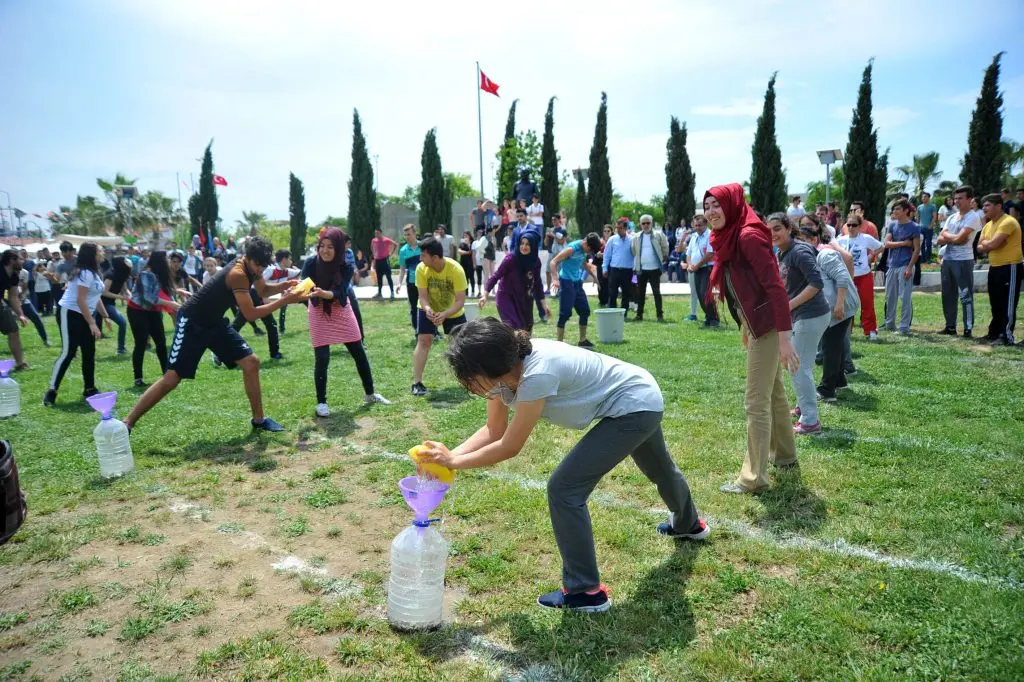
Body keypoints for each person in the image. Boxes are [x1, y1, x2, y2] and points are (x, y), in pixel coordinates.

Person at [416, 318, 710, 612]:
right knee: (659, 468)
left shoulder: (537, 374)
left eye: (469, 375)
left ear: (490, 366)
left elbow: (510, 446)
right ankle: (688, 524)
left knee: (565, 489)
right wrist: (449, 458)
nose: (466, 383)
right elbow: (494, 429)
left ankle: (585, 592)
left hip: (635, 404)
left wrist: (454, 461)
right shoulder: (506, 374)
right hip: (640, 396)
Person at [123, 236, 305, 433]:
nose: (260, 269)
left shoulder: (252, 267)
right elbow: (250, 313)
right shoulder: (238, 273)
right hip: (192, 322)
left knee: (251, 362)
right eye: (258, 265)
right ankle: (127, 423)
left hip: (214, 323)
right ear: (247, 257)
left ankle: (259, 420)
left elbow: (263, 289)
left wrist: (286, 286)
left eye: (263, 265)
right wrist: (285, 300)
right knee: (172, 378)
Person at [705, 185, 798, 493]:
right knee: (773, 393)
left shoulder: (746, 236)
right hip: (756, 322)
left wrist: (785, 339)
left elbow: (775, 287)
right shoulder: (730, 235)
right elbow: (743, 287)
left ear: (731, 204)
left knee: (755, 401)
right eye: (707, 206)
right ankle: (784, 455)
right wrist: (745, 324)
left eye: (717, 204)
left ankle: (753, 478)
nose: (711, 212)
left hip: (769, 325)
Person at [302, 228, 390, 417]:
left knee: (358, 352)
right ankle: (322, 402)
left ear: (339, 248)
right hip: (318, 310)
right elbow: (303, 285)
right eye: (322, 246)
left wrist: (324, 293)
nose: (325, 251)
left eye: (330, 247)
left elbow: (342, 292)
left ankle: (370, 394)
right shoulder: (310, 263)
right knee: (322, 357)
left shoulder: (345, 266)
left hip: (340, 308)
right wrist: (303, 292)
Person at [767, 213, 830, 435]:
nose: (773, 233)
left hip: (811, 315)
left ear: (788, 228)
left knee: (797, 366)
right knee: (800, 365)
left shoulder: (799, 252)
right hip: (802, 315)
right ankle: (804, 407)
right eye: (770, 229)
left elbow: (816, 284)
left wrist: (789, 306)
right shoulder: (782, 252)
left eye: (777, 228)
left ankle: (810, 421)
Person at [796, 222, 859, 404]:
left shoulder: (825, 254)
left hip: (842, 306)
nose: (801, 245)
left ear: (814, 239)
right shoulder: (810, 257)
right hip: (834, 307)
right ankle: (839, 380)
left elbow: (842, 278)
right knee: (835, 344)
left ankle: (827, 390)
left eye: (805, 240)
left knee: (830, 346)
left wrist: (839, 305)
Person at [44, 243, 113, 406]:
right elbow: (80, 299)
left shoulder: (95, 272)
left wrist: (105, 316)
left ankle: (89, 388)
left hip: (85, 313)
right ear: (92, 254)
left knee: (89, 351)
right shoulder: (84, 273)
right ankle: (51, 391)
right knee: (69, 352)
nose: (102, 252)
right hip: (70, 313)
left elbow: (95, 297)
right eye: (99, 250)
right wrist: (92, 323)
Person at [410, 236, 468, 397]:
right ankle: (417, 383)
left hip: (453, 310)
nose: (420, 258)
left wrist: (445, 314)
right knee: (424, 341)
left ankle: (469, 380)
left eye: (423, 255)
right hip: (428, 309)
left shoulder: (456, 269)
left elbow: (460, 300)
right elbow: (422, 296)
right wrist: (428, 309)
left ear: (435, 257)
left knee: (462, 344)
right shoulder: (421, 268)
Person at [126, 251, 180, 387]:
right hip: (137, 311)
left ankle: (167, 373)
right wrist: (170, 304)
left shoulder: (160, 274)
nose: (169, 261)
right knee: (141, 342)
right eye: (167, 258)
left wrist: (179, 292)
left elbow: (163, 292)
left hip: (152, 311)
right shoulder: (147, 274)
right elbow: (149, 298)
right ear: (160, 261)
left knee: (161, 342)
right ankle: (138, 378)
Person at [480, 229, 549, 333]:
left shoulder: (535, 261)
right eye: (522, 243)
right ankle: (510, 348)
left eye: (528, 244)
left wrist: (544, 305)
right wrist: (485, 295)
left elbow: (538, 284)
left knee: (526, 330)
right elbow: (496, 276)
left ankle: (521, 349)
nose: (524, 247)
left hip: (524, 299)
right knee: (515, 328)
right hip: (506, 297)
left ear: (533, 246)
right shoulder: (511, 258)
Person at [977, 193, 1023, 345]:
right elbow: (980, 247)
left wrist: (989, 244)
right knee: (995, 302)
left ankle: (1006, 335)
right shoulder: (988, 225)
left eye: (988, 205)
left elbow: (991, 245)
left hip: (1010, 267)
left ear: (998, 206)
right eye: (983, 206)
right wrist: (989, 245)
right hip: (994, 267)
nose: (984, 208)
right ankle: (994, 333)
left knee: (1007, 303)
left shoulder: (1008, 222)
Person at [936, 186, 981, 337]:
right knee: (948, 295)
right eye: (955, 198)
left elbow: (962, 239)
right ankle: (950, 327)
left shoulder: (972, 217)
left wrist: (950, 237)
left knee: (965, 295)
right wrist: (954, 238)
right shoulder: (951, 217)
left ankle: (968, 328)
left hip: (963, 260)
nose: (957, 201)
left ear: (969, 199)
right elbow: (939, 238)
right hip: (948, 260)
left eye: (961, 198)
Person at [549, 233, 600, 347]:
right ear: (585, 243)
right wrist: (555, 279)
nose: (589, 252)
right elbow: (553, 262)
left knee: (585, 311)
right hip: (566, 282)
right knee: (565, 314)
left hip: (577, 283)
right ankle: (559, 344)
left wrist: (594, 276)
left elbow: (583, 263)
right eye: (589, 249)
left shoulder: (584, 250)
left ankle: (582, 341)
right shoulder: (572, 249)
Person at [836, 215, 882, 340]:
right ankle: (846, 330)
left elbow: (881, 246)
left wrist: (871, 256)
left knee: (867, 303)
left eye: (854, 225)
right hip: (847, 277)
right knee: (846, 304)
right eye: (848, 225)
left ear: (860, 226)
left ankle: (870, 330)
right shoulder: (841, 240)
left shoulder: (866, 238)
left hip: (864, 276)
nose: (851, 227)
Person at [882, 199, 921, 335]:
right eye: (894, 209)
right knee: (890, 296)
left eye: (898, 209)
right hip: (892, 265)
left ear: (906, 211)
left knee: (905, 297)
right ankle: (890, 323)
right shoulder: (892, 225)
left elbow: (916, 249)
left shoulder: (914, 227)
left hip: (905, 265)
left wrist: (910, 267)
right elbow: (887, 244)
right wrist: (904, 243)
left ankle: (904, 327)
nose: (895, 212)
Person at [630, 214, 668, 323]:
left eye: (648, 223)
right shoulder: (636, 236)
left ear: (652, 223)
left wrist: (664, 257)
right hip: (641, 269)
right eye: (643, 223)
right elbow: (633, 251)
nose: (646, 225)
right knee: (640, 293)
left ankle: (659, 315)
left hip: (655, 269)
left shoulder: (659, 234)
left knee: (656, 292)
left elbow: (665, 247)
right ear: (640, 225)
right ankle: (639, 315)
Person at [686, 214, 718, 327]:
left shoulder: (710, 235)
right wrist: (690, 265)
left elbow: (710, 254)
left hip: (707, 268)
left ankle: (714, 319)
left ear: (706, 224)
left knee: (706, 294)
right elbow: (688, 253)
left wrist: (697, 265)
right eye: (695, 225)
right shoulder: (694, 236)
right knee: (699, 294)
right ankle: (708, 317)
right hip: (696, 269)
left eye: (700, 225)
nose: (697, 227)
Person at [0, 251, 31, 371]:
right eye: (20, 259)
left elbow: (13, 296)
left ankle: (20, 364)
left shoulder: (14, 275)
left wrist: (20, 315)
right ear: (12, 260)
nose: (22, 261)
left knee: (14, 331)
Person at [97, 256, 132, 355]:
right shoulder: (111, 275)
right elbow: (104, 292)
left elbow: (125, 289)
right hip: (103, 303)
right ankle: (121, 349)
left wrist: (129, 295)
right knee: (122, 322)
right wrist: (121, 297)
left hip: (110, 302)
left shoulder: (122, 275)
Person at [602, 218, 634, 315]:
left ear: (625, 228)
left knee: (626, 293)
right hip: (614, 270)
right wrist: (604, 268)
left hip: (627, 271)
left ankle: (623, 314)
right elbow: (606, 255)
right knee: (612, 293)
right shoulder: (612, 239)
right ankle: (612, 313)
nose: (618, 230)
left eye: (620, 228)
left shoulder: (632, 240)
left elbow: (636, 254)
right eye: (617, 228)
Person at [263, 249, 300, 333]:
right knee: (243, 318)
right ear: (284, 260)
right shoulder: (271, 270)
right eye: (290, 259)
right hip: (256, 297)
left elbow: (300, 272)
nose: (291, 261)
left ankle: (282, 329)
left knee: (272, 322)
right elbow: (257, 284)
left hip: (264, 298)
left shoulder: (286, 271)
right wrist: (264, 297)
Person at [395, 224, 422, 334]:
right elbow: (402, 268)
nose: (407, 237)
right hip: (411, 283)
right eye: (405, 235)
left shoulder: (423, 246)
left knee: (429, 305)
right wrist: (399, 283)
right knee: (414, 307)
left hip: (426, 282)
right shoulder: (403, 250)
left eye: (409, 234)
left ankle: (433, 331)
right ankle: (418, 331)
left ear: (415, 233)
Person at [16, 259, 47, 347]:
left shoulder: (24, 272)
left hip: (22, 300)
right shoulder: (5, 273)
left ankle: (45, 340)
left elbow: (26, 288)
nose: (21, 263)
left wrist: (23, 296)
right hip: (8, 301)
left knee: (36, 318)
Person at [370, 227, 398, 301]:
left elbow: (395, 244)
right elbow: (372, 246)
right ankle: (379, 293)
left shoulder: (386, 240)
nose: (376, 234)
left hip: (385, 261)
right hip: (378, 261)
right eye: (375, 233)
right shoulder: (374, 240)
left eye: (378, 233)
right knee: (379, 278)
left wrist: (391, 253)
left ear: (381, 233)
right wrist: (374, 254)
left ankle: (392, 293)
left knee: (389, 277)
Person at [917, 192, 937, 263]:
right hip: (920, 228)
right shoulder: (919, 207)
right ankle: (922, 258)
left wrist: (931, 225)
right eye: (922, 197)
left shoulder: (932, 206)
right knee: (921, 244)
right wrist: (917, 226)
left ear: (928, 198)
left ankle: (928, 259)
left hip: (929, 228)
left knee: (928, 244)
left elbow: (934, 216)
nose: (923, 198)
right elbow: (918, 217)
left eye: (925, 197)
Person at [458, 232, 476, 297]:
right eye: (464, 236)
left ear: (469, 236)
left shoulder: (472, 243)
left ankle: (473, 291)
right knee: (465, 278)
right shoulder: (462, 244)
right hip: (463, 263)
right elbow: (459, 251)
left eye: (466, 236)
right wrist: (468, 252)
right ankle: (466, 292)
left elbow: (474, 252)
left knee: (471, 277)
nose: (465, 237)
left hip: (470, 263)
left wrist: (468, 244)